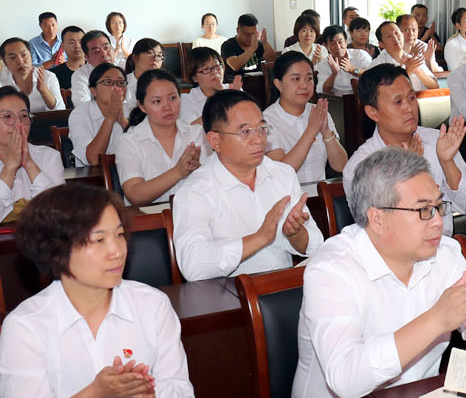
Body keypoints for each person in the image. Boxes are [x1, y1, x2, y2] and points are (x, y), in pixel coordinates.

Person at [292, 148, 466, 398]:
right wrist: (437, 319)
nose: (438, 221)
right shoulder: (332, 269)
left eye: (438, 207)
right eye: (423, 210)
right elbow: (345, 379)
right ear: (377, 219)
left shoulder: (445, 253)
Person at [0, 182, 194, 398]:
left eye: (119, 235)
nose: (116, 251)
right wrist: (97, 394)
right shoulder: (26, 326)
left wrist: (139, 394)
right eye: (98, 240)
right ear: (57, 250)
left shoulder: (151, 304)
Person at [173, 90, 323, 280]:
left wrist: (295, 234)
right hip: (229, 294)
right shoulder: (195, 191)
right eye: (245, 132)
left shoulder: (282, 174)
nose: (258, 139)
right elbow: (193, 266)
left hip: (282, 286)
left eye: (261, 128)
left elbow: (316, 245)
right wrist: (260, 238)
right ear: (215, 141)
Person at [342, 65, 466, 236]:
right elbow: (380, 230)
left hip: (443, 244)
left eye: (411, 98)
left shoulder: (438, 141)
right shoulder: (360, 166)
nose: (409, 107)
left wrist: (447, 162)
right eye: (398, 102)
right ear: (373, 113)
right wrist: (409, 171)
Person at [0, 86, 66, 227]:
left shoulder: (49, 156)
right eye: (7, 117)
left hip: (43, 237)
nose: (18, 124)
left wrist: (30, 164)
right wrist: (9, 168)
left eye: (24, 116)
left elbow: (60, 212)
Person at [116, 69, 205, 206]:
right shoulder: (129, 142)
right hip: (148, 217)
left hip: (194, 214)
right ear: (142, 106)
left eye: (172, 98)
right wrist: (178, 172)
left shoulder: (196, 134)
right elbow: (135, 194)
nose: (167, 107)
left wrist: (201, 172)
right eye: (157, 101)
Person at [263, 52, 346, 197]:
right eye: (296, 79)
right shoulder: (266, 120)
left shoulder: (318, 112)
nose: (304, 85)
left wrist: (326, 133)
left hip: (321, 198)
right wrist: (311, 130)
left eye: (309, 78)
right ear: (278, 84)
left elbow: (341, 166)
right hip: (286, 199)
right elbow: (283, 171)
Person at [67, 63, 130, 167]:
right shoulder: (79, 114)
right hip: (94, 175)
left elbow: (147, 152)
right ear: (93, 91)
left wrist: (123, 121)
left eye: (121, 83)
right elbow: (94, 159)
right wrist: (110, 118)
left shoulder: (131, 111)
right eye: (108, 82)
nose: (116, 87)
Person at [0, 37, 62, 112]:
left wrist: (43, 90)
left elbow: (60, 110)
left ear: (30, 56)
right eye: (13, 57)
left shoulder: (49, 77)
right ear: (5, 62)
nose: (20, 61)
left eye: (23, 55)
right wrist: (24, 94)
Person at [368, 20, 438, 90]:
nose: (395, 38)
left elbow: (435, 86)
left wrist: (417, 70)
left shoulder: (413, 58)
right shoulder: (377, 65)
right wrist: (407, 72)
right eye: (389, 36)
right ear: (381, 44)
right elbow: (382, 93)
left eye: (397, 33)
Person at [181, 46, 239, 125]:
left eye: (217, 66)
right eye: (206, 69)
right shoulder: (187, 100)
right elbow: (191, 128)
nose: (214, 72)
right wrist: (223, 99)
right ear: (194, 77)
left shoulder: (233, 89)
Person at [315, 24, 371, 97]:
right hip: (338, 99)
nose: (338, 47)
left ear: (346, 41)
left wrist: (352, 69)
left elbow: (372, 77)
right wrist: (334, 74)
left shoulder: (360, 55)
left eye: (340, 42)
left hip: (362, 97)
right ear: (326, 46)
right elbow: (323, 90)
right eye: (333, 43)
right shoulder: (323, 64)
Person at [68, 29, 115, 106]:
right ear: (87, 58)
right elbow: (82, 105)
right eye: (96, 51)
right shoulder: (80, 75)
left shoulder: (124, 69)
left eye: (106, 47)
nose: (104, 53)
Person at [122, 37, 165, 109]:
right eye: (150, 53)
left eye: (159, 55)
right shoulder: (122, 84)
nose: (155, 58)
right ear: (135, 57)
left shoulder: (166, 85)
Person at [52, 25, 85, 92]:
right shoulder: (53, 75)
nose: (77, 46)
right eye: (72, 42)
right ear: (62, 46)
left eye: (80, 42)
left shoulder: (96, 70)